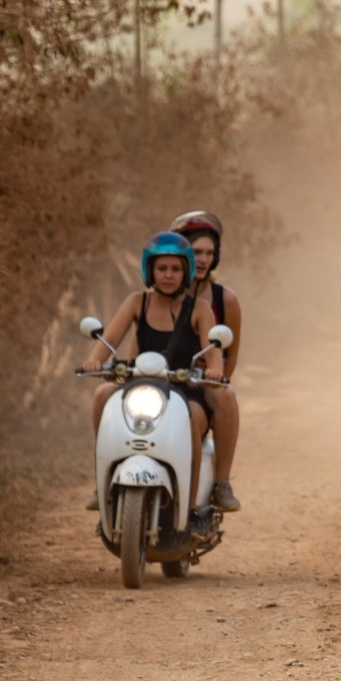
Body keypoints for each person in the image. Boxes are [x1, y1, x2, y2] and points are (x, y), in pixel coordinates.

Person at [83, 231, 223, 509]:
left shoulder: (200, 309)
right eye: (161, 269)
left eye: (175, 269)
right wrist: (95, 360)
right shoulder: (137, 302)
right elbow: (109, 340)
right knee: (102, 395)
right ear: (150, 270)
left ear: (187, 272)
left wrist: (215, 370)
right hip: (140, 387)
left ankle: (191, 505)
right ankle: (103, 484)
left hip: (184, 391)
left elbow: (214, 352)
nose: (168, 275)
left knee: (192, 421)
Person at [176, 211, 243, 513]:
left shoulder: (224, 299)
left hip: (203, 384)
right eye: (195, 252)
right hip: (164, 380)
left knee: (225, 394)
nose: (202, 259)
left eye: (208, 253)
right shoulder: (156, 297)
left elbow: (230, 356)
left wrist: (215, 378)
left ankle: (221, 483)